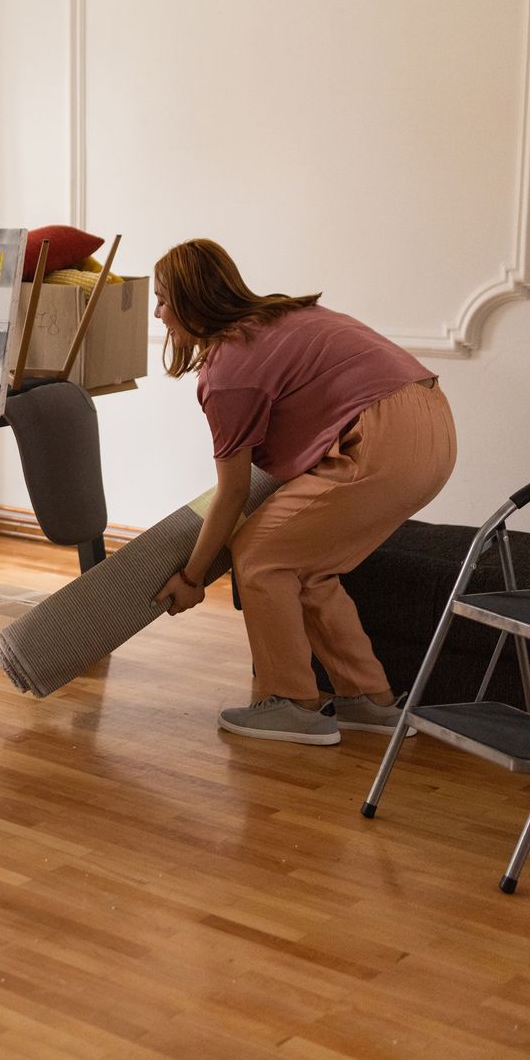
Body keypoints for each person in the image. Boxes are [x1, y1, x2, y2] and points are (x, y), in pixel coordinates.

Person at [149, 239, 457, 746]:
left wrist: (192, 576)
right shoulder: (282, 315)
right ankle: (367, 699)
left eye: (162, 299)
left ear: (188, 300)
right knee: (307, 565)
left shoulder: (228, 369)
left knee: (260, 553)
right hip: (434, 429)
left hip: (386, 438)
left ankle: (289, 703)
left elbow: (233, 492)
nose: (158, 314)